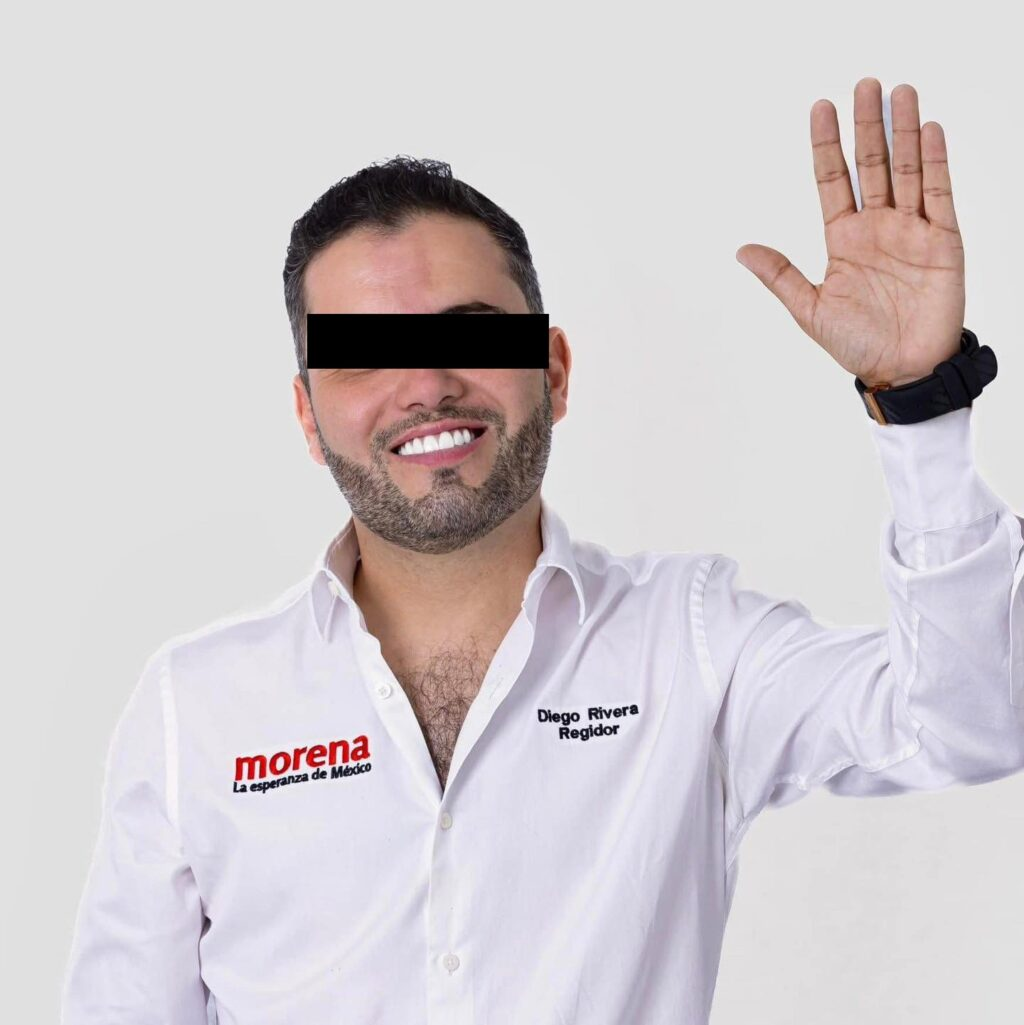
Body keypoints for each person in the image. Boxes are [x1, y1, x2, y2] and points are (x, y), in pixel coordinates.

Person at [61, 77, 1024, 1024]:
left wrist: (921, 405)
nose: (426, 385)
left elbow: (972, 722)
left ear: (553, 370)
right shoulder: (195, 706)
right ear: (309, 418)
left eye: (473, 335)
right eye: (362, 354)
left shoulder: (691, 643)